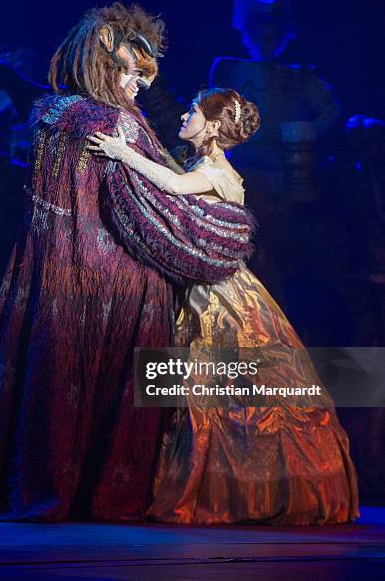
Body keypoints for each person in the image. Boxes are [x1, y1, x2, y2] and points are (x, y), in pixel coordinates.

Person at [0, 5, 254, 523]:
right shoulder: (112, 122)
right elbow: (151, 208)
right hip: (114, 278)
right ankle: (91, 490)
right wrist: (224, 232)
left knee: (47, 378)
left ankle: (38, 484)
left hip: (49, 275)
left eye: (142, 75)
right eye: (130, 73)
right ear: (102, 66)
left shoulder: (52, 113)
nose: (137, 86)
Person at [87, 87, 359, 525]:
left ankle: (229, 492)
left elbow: (173, 184)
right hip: (207, 288)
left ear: (212, 126)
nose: (184, 115)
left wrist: (121, 152)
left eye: (192, 111)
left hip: (219, 297)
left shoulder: (216, 172)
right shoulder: (202, 164)